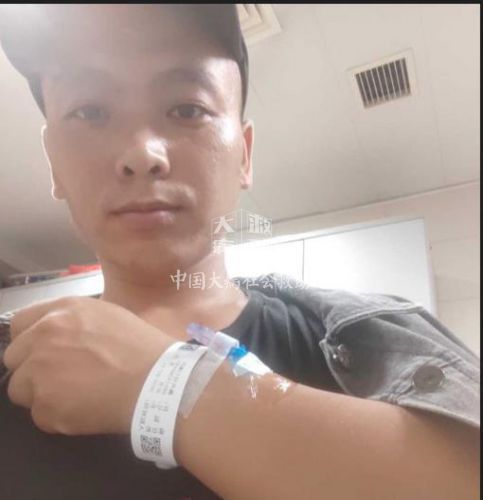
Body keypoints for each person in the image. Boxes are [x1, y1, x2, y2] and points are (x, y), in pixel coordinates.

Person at [0, 5, 479, 500]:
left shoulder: (364, 337)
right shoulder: (12, 360)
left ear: (243, 155)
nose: (142, 154)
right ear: (53, 164)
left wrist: (165, 382)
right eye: (89, 112)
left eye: (187, 109)